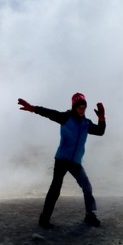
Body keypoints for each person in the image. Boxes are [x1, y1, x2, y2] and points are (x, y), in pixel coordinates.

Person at [18, 93, 106, 229]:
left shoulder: (86, 123)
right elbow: (49, 113)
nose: (82, 109)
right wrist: (33, 108)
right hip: (62, 160)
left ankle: (90, 215)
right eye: (80, 107)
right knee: (55, 189)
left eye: (84, 107)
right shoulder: (66, 117)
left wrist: (101, 118)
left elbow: (100, 131)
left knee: (87, 187)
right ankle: (44, 219)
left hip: (76, 162)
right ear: (74, 107)